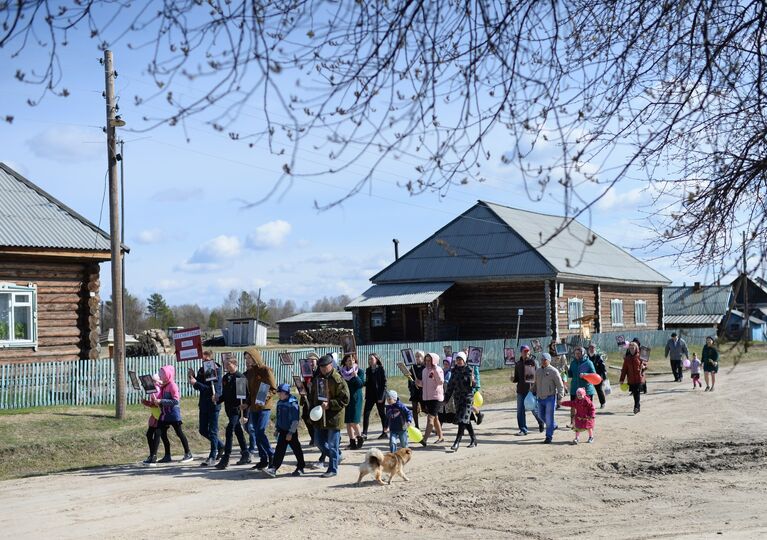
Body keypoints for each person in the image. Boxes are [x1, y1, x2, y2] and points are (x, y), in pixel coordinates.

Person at [308, 354, 350, 478]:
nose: (322, 369)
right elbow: (314, 396)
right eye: (320, 367)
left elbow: (345, 399)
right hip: (320, 416)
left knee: (332, 444)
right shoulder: (318, 379)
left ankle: (332, 469)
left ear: (331, 365)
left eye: (324, 367)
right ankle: (337, 456)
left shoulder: (337, 379)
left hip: (334, 417)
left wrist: (330, 404)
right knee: (318, 442)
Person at [150, 365, 193, 463]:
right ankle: (158, 456)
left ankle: (188, 453)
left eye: (163, 374)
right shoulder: (164, 386)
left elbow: (175, 401)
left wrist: (161, 401)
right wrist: (154, 402)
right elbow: (160, 400)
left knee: (179, 433)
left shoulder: (172, 385)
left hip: (173, 414)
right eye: (160, 374)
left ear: (168, 375)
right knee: (159, 433)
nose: (161, 376)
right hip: (164, 414)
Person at [188, 351, 224, 466]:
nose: (205, 362)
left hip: (213, 405)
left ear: (211, 359)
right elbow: (198, 387)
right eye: (203, 360)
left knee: (213, 431)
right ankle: (220, 445)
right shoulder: (201, 370)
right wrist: (193, 378)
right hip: (203, 404)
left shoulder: (216, 370)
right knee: (203, 430)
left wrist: (196, 383)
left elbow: (212, 390)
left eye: (207, 360)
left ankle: (212, 456)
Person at [215, 355, 251, 469]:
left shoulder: (240, 378)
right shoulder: (225, 378)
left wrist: (245, 414)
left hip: (237, 409)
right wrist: (217, 399)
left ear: (234, 364)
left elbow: (245, 398)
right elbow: (225, 395)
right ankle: (245, 453)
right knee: (238, 431)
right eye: (225, 364)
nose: (226, 365)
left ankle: (226, 457)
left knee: (230, 428)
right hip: (229, 409)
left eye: (228, 364)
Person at [244, 349, 277, 470]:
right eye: (246, 358)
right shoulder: (250, 372)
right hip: (253, 407)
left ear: (255, 357)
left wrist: (263, 398)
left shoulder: (265, 370)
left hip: (264, 407)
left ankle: (272, 455)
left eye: (249, 358)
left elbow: (273, 388)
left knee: (260, 431)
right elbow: (250, 393)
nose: (247, 361)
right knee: (255, 432)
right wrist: (247, 403)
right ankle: (263, 460)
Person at [264, 383, 306, 477]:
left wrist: (291, 433)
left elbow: (295, 420)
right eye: (278, 393)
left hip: (291, 431)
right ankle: (274, 468)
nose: (278, 395)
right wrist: (277, 429)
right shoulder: (280, 402)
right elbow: (279, 417)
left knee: (296, 449)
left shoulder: (292, 403)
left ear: (286, 393)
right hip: (282, 430)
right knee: (279, 449)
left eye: (280, 393)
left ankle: (301, 467)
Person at [444, 352, 477, 452]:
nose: (458, 361)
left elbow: (473, 385)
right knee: (465, 421)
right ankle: (473, 439)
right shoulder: (453, 371)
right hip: (457, 399)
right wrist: (446, 399)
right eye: (457, 359)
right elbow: (450, 386)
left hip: (467, 399)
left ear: (464, 360)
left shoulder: (469, 370)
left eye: (460, 359)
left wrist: (473, 381)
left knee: (462, 421)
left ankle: (457, 442)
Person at [512, 345, 544, 436]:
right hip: (520, 390)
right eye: (525, 351)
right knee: (520, 411)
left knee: (534, 409)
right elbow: (516, 378)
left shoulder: (534, 362)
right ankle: (523, 429)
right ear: (521, 352)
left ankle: (541, 421)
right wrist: (513, 379)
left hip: (531, 390)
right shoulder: (518, 364)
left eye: (528, 351)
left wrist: (536, 387)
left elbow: (538, 374)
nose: (527, 353)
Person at [534, 353, 565, 444]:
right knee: (540, 415)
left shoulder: (553, 371)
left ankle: (548, 436)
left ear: (549, 360)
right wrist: (532, 390)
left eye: (545, 360)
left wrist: (560, 396)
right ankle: (553, 425)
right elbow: (536, 384)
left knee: (549, 417)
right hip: (540, 398)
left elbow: (560, 385)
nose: (543, 361)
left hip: (550, 398)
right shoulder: (538, 371)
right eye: (542, 359)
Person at [417, 352, 445, 446]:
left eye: (430, 360)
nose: (427, 362)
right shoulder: (424, 370)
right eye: (426, 360)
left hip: (436, 397)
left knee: (430, 418)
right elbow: (424, 384)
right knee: (435, 417)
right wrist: (418, 383)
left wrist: (435, 372)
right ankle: (441, 437)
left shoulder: (438, 369)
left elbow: (441, 382)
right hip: (427, 398)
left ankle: (424, 439)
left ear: (434, 360)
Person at [142, 374, 170, 465]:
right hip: (155, 416)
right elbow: (153, 403)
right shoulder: (153, 389)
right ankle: (153, 455)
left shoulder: (157, 389)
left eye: (154, 381)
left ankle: (154, 456)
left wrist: (147, 403)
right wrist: (147, 403)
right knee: (150, 434)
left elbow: (157, 403)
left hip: (161, 415)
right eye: (152, 381)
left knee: (159, 435)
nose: (152, 383)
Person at [567, 346, 597, 427]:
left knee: (587, 407)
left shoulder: (588, 363)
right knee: (573, 406)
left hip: (586, 389)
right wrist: (567, 370)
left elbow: (594, 375)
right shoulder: (573, 363)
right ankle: (572, 422)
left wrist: (585, 375)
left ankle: (588, 422)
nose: (577, 355)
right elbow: (570, 375)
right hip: (574, 389)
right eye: (575, 353)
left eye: (578, 353)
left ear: (583, 353)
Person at [340, 354, 365, 449]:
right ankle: (352, 442)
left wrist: (356, 376)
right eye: (348, 360)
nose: (351, 362)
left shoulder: (360, 371)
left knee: (354, 421)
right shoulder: (342, 372)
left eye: (352, 360)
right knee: (348, 422)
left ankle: (360, 438)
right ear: (345, 362)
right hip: (346, 399)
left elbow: (361, 384)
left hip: (355, 399)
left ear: (355, 361)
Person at [362, 353, 389, 441]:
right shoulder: (368, 370)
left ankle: (384, 432)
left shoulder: (381, 369)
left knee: (382, 413)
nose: (370, 360)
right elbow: (367, 382)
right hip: (370, 395)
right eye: (369, 359)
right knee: (366, 414)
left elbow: (384, 383)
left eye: (372, 359)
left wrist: (381, 396)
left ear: (376, 359)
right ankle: (364, 433)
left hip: (379, 395)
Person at [620, 341, 644, 414]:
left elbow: (645, 366)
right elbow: (624, 370)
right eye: (630, 348)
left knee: (637, 392)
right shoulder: (627, 359)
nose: (631, 350)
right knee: (634, 393)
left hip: (638, 378)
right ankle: (638, 406)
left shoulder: (640, 357)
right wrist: (622, 379)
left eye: (633, 348)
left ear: (636, 348)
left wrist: (644, 367)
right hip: (631, 379)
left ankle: (636, 407)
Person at [301, 353, 319, 445]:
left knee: (315, 418)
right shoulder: (305, 372)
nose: (311, 363)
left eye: (313, 361)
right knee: (305, 416)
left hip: (316, 399)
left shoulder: (319, 371)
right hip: (307, 398)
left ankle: (318, 438)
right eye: (309, 361)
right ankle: (313, 437)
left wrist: (313, 385)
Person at [408, 350, 426, 429]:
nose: (418, 358)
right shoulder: (412, 367)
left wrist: (421, 383)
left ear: (423, 357)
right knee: (414, 409)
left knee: (426, 409)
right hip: (414, 391)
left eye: (419, 356)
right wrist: (411, 384)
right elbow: (410, 378)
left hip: (423, 391)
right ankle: (417, 425)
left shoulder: (425, 367)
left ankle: (431, 424)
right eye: (416, 356)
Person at [587, 343, 608, 409]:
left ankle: (602, 403)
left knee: (599, 390)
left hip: (597, 376)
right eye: (590, 347)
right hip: (589, 376)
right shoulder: (586, 357)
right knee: (589, 391)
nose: (591, 349)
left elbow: (602, 367)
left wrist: (603, 377)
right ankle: (589, 404)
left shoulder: (598, 356)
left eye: (593, 348)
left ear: (595, 349)